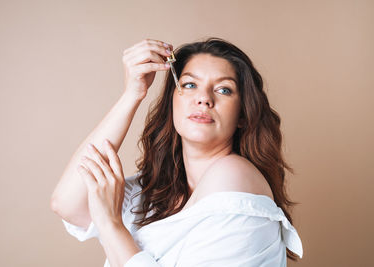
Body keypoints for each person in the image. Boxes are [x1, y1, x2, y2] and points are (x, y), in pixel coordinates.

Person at [51, 37, 303, 267]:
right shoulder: (157, 192)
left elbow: (103, 220)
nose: (203, 98)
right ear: (172, 101)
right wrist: (132, 94)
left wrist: (111, 225)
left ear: (242, 115)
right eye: (190, 84)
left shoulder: (235, 176)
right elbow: (67, 203)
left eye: (223, 89)